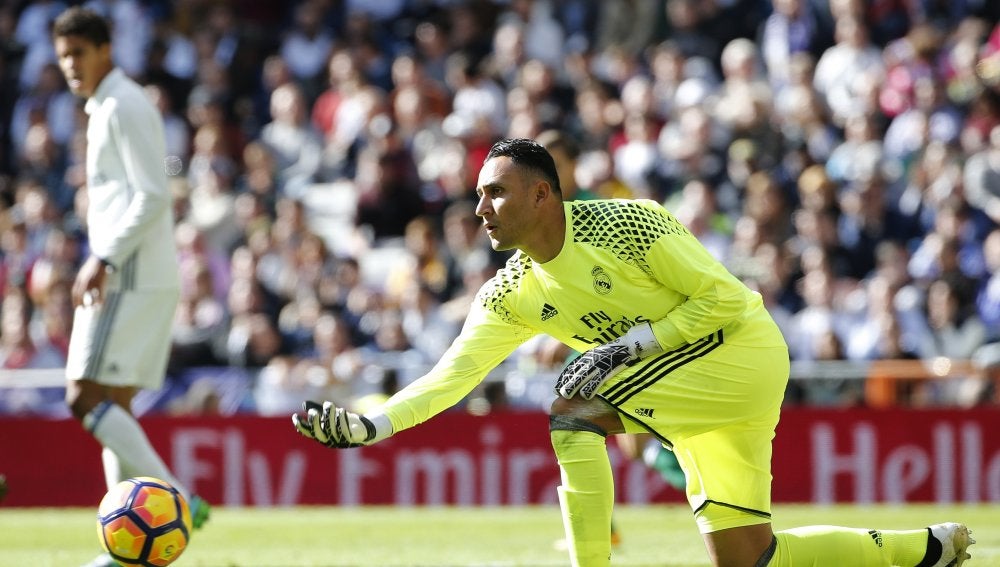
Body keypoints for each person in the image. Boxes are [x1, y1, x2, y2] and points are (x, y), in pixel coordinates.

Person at [292, 138, 974, 567]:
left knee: (573, 409)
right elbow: (452, 376)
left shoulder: (626, 223)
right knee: (750, 558)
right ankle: (927, 547)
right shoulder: (511, 292)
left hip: (741, 352)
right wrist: (371, 425)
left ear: (542, 193)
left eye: (495, 192)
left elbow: (729, 302)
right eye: (477, 196)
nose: (482, 209)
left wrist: (629, 345)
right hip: (694, 402)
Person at [51, 8, 209, 567]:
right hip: (140, 273)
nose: (69, 65)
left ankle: (177, 500)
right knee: (113, 407)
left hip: (130, 274)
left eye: (78, 54)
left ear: (104, 49)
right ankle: (125, 553)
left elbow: (153, 194)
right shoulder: (109, 105)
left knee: (82, 396)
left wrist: (103, 256)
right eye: (63, 55)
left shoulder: (122, 104)